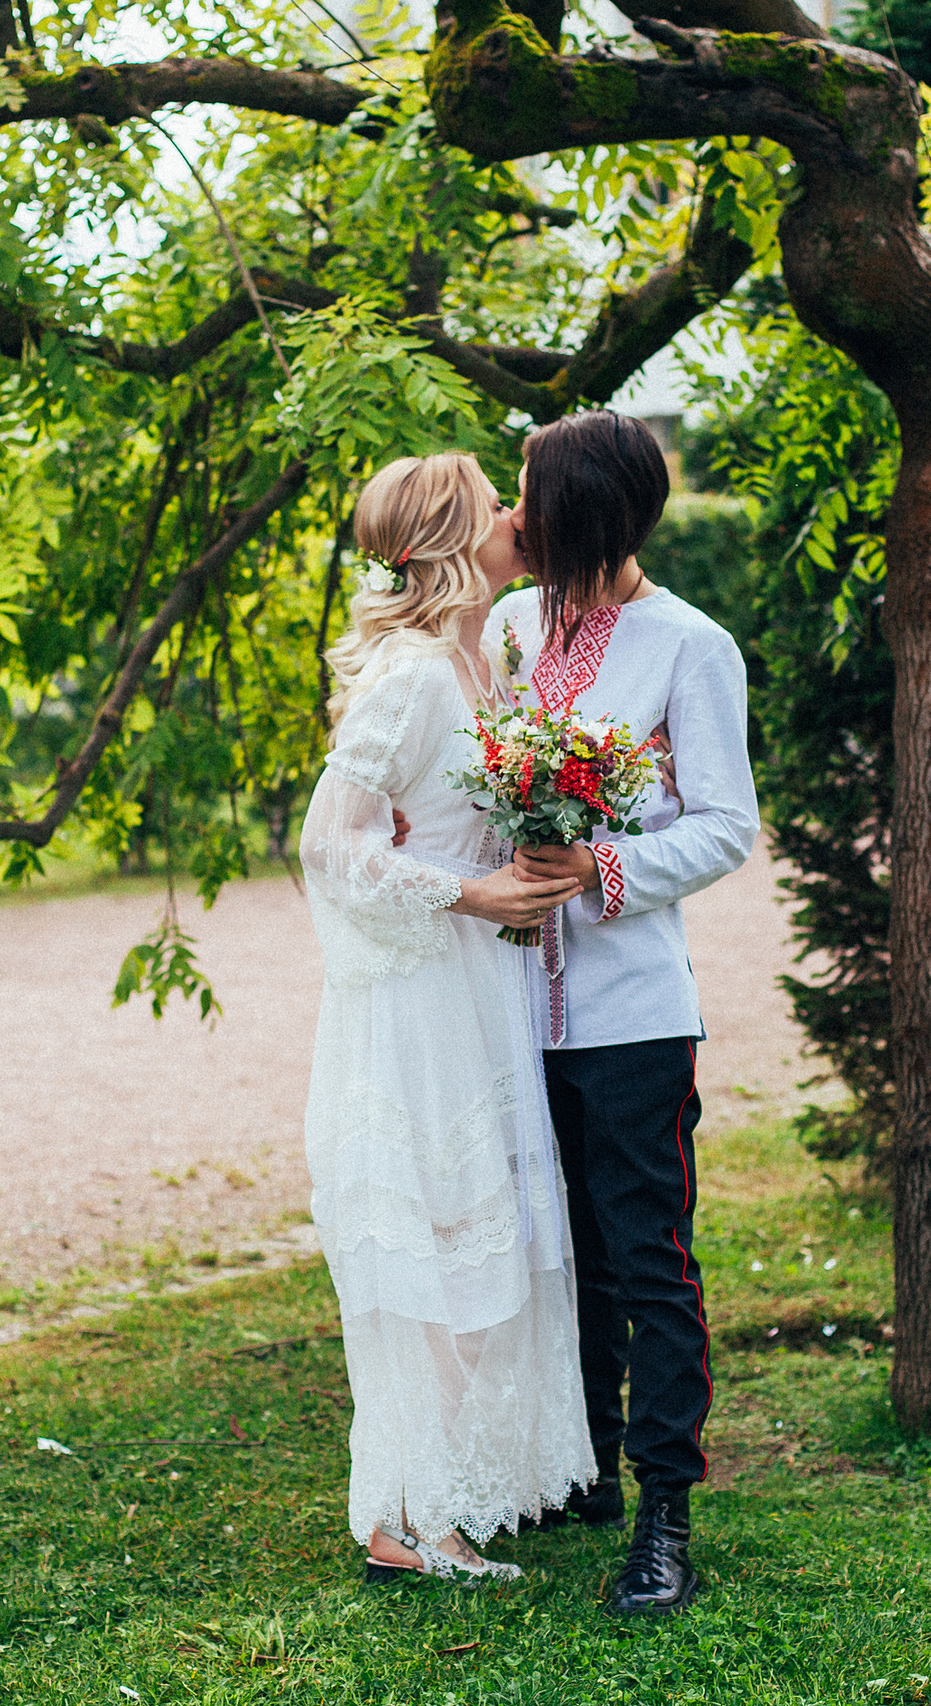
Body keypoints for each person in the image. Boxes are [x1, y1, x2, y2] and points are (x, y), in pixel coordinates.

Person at [299, 451, 598, 1582]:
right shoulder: (414, 674)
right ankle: (401, 1517)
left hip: (476, 987)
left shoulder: (483, 660)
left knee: (485, 1247)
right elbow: (331, 844)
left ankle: (430, 1507)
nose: (518, 518)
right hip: (418, 996)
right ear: (449, 541)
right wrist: (468, 892)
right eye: (496, 507)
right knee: (434, 1249)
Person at [484, 410, 760, 1617]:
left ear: (579, 510)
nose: (514, 509)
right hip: (501, 1005)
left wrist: (599, 870)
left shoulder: (691, 647)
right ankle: (578, 1464)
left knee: (645, 1254)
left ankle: (663, 1513)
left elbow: (724, 824)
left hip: (631, 1006)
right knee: (556, 1249)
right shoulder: (498, 631)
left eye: (529, 491)